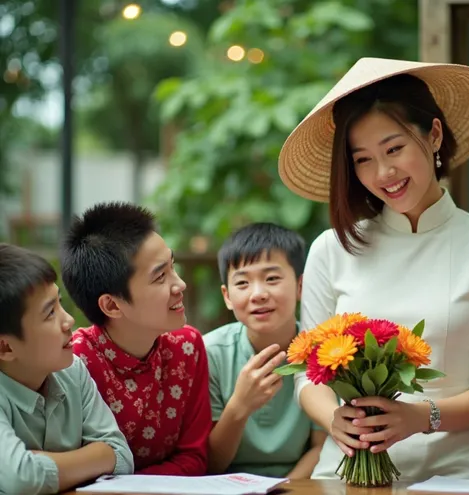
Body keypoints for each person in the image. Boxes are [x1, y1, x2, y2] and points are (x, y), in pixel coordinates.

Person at [276, 57, 469, 480]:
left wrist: (420, 417)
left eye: (394, 149)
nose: (384, 173)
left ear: (434, 134)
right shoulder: (331, 249)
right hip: (344, 475)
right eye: (363, 160)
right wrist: (334, 421)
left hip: (453, 476)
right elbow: (307, 377)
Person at [61, 202, 211, 476]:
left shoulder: (187, 346)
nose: (180, 285)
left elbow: (194, 458)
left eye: (172, 267)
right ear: (112, 306)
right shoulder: (73, 363)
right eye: (160, 277)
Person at [0, 244, 133, 494]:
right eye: (50, 313)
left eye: (59, 303)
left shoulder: (72, 371)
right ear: (5, 347)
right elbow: (22, 479)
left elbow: (121, 456)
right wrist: (92, 458)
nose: (69, 321)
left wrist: (38, 462)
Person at [204, 222, 326, 477]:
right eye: (242, 283)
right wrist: (240, 405)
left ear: (300, 286)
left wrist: (283, 489)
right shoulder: (210, 353)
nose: (258, 294)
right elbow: (210, 462)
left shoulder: (323, 352)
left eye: (272, 279)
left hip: (299, 486)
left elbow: (322, 447)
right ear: (227, 296)